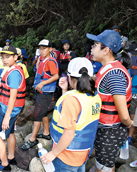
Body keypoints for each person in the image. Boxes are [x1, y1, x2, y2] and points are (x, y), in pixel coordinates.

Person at [40, 57, 102, 171]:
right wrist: (65, 91)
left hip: (66, 156)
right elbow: (78, 116)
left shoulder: (71, 101)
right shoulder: (95, 96)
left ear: (68, 77)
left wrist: (53, 154)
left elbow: (69, 134)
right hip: (83, 154)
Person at [87, 29, 133, 172]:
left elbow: (124, 115)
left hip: (110, 132)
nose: (91, 48)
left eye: (95, 44)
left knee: (103, 168)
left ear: (106, 50)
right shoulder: (108, 70)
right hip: (107, 129)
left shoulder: (114, 75)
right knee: (106, 165)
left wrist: (129, 124)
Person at [0, 45, 26, 171]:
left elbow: (13, 97)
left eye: (8, 57)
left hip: (8, 110)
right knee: (10, 132)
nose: (5, 60)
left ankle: (5, 165)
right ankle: (10, 156)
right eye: (3, 57)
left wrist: (6, 117)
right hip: (13, 109)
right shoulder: (14, 69)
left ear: (16, 57)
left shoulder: (14, 73)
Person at [22, 39, 59, 150]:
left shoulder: (50, 61)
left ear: (50, 49)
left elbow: (56, 76)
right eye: (40, 48)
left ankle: (32, 139)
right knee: (42, 113)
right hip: (41, 91)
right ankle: (46, 133)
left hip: (45, 92)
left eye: (44, 48)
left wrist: (42, 83)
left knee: (37, 114)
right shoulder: (43, 60)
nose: (41, 50)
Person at [128, 41, 137, 145]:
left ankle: (129, 137)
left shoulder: (129, 63)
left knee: (132, 115)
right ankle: (129, 137)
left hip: (132, 92)